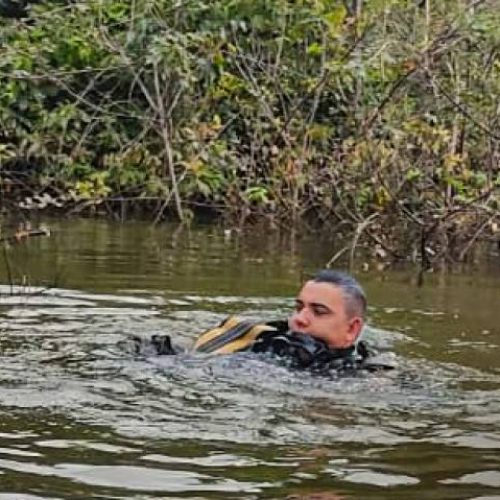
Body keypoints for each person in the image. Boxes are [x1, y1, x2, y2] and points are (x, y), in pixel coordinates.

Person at [135, 270, 393, 373]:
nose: (300, 320)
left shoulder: (371, 374)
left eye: (319, 311)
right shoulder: (253, 337)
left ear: (352, 329)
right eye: (299, 307)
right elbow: (187, 358)